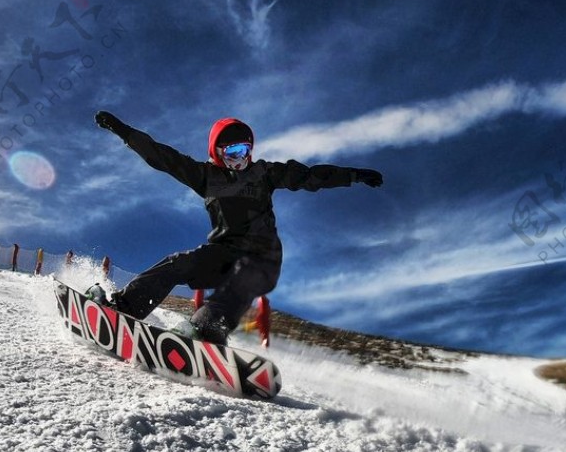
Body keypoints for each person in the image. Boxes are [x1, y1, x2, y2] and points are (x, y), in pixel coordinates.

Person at [87, 110, 383, 345]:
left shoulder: (264, 173)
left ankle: (206, 329)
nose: (239, 160)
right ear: (217, 153)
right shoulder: (205, 177)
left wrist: (353, 175)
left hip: (262, 259)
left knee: (245, 277)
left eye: (244, 151)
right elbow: (163, 157)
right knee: (181, 262)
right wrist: (124, 131)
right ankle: (123, 308)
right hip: (224, 255)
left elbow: (310, 177)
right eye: (231, 153)